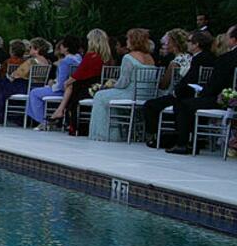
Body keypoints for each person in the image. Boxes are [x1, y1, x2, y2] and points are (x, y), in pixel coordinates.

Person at [167, 25, 237, 155]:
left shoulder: (227, 59)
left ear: (234, 40)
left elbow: (216, 85)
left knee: (183, 104)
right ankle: (198, 140)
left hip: (226, 100)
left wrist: (202, 93)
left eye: (228, 36)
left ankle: (183, 143)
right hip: (230, 98)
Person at [144, 30, 214, 148]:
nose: (187, 43)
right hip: (194, 94)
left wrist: (176, 92)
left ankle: (155, 136)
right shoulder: (207, 57)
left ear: (196, 44)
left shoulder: (194, 59)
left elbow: (188, 80)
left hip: (186, 95)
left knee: (150, 105)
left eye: (189, 41)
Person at [89, 29, 158, 142]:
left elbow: (123, 83)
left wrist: (112, 85)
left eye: (128, 39)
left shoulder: (128, 57)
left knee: (100, 96)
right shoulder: (150, 58)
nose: (126, 41)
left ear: (133, 41)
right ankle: (115, 133)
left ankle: (103, 134)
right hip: (146, 95)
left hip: (130, 93)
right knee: (107, 97)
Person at [48, 29, 113, 134]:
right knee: (72, 86)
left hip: (90, 89)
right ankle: (60, 111)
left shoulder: (91, 56)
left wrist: (67, 82)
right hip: (102, 87)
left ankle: (61, 112)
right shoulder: (108, 57)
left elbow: (79, 73)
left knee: (70, 86)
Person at [0, 38, 51, 122]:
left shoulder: (32, 61)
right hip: (36, 87)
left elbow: (17, 74)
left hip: (25, 87)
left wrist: (12, 76)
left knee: (0, 84)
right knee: (2, 85)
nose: (29, 49)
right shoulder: (47, 62)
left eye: (31, 47)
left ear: (37, 49)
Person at [28, 36, 82, 128]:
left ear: (66, 48)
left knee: (34, 93)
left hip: (62, 90)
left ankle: (43, 122)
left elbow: (60, 84)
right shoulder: (79, 59)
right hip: (74, 90)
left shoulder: (65, 62)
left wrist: (52, 84)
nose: (60, 47)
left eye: (62, 45)